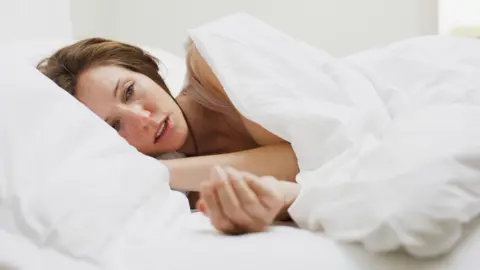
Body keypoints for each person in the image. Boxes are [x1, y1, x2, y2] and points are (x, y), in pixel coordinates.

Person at [37, 37, 302, 234]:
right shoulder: (186, 196)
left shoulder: (210, 68)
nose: (142, 119)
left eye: (129, 91)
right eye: (115, 126)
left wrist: (157, 169)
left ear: (147, 69)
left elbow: (303, 156)